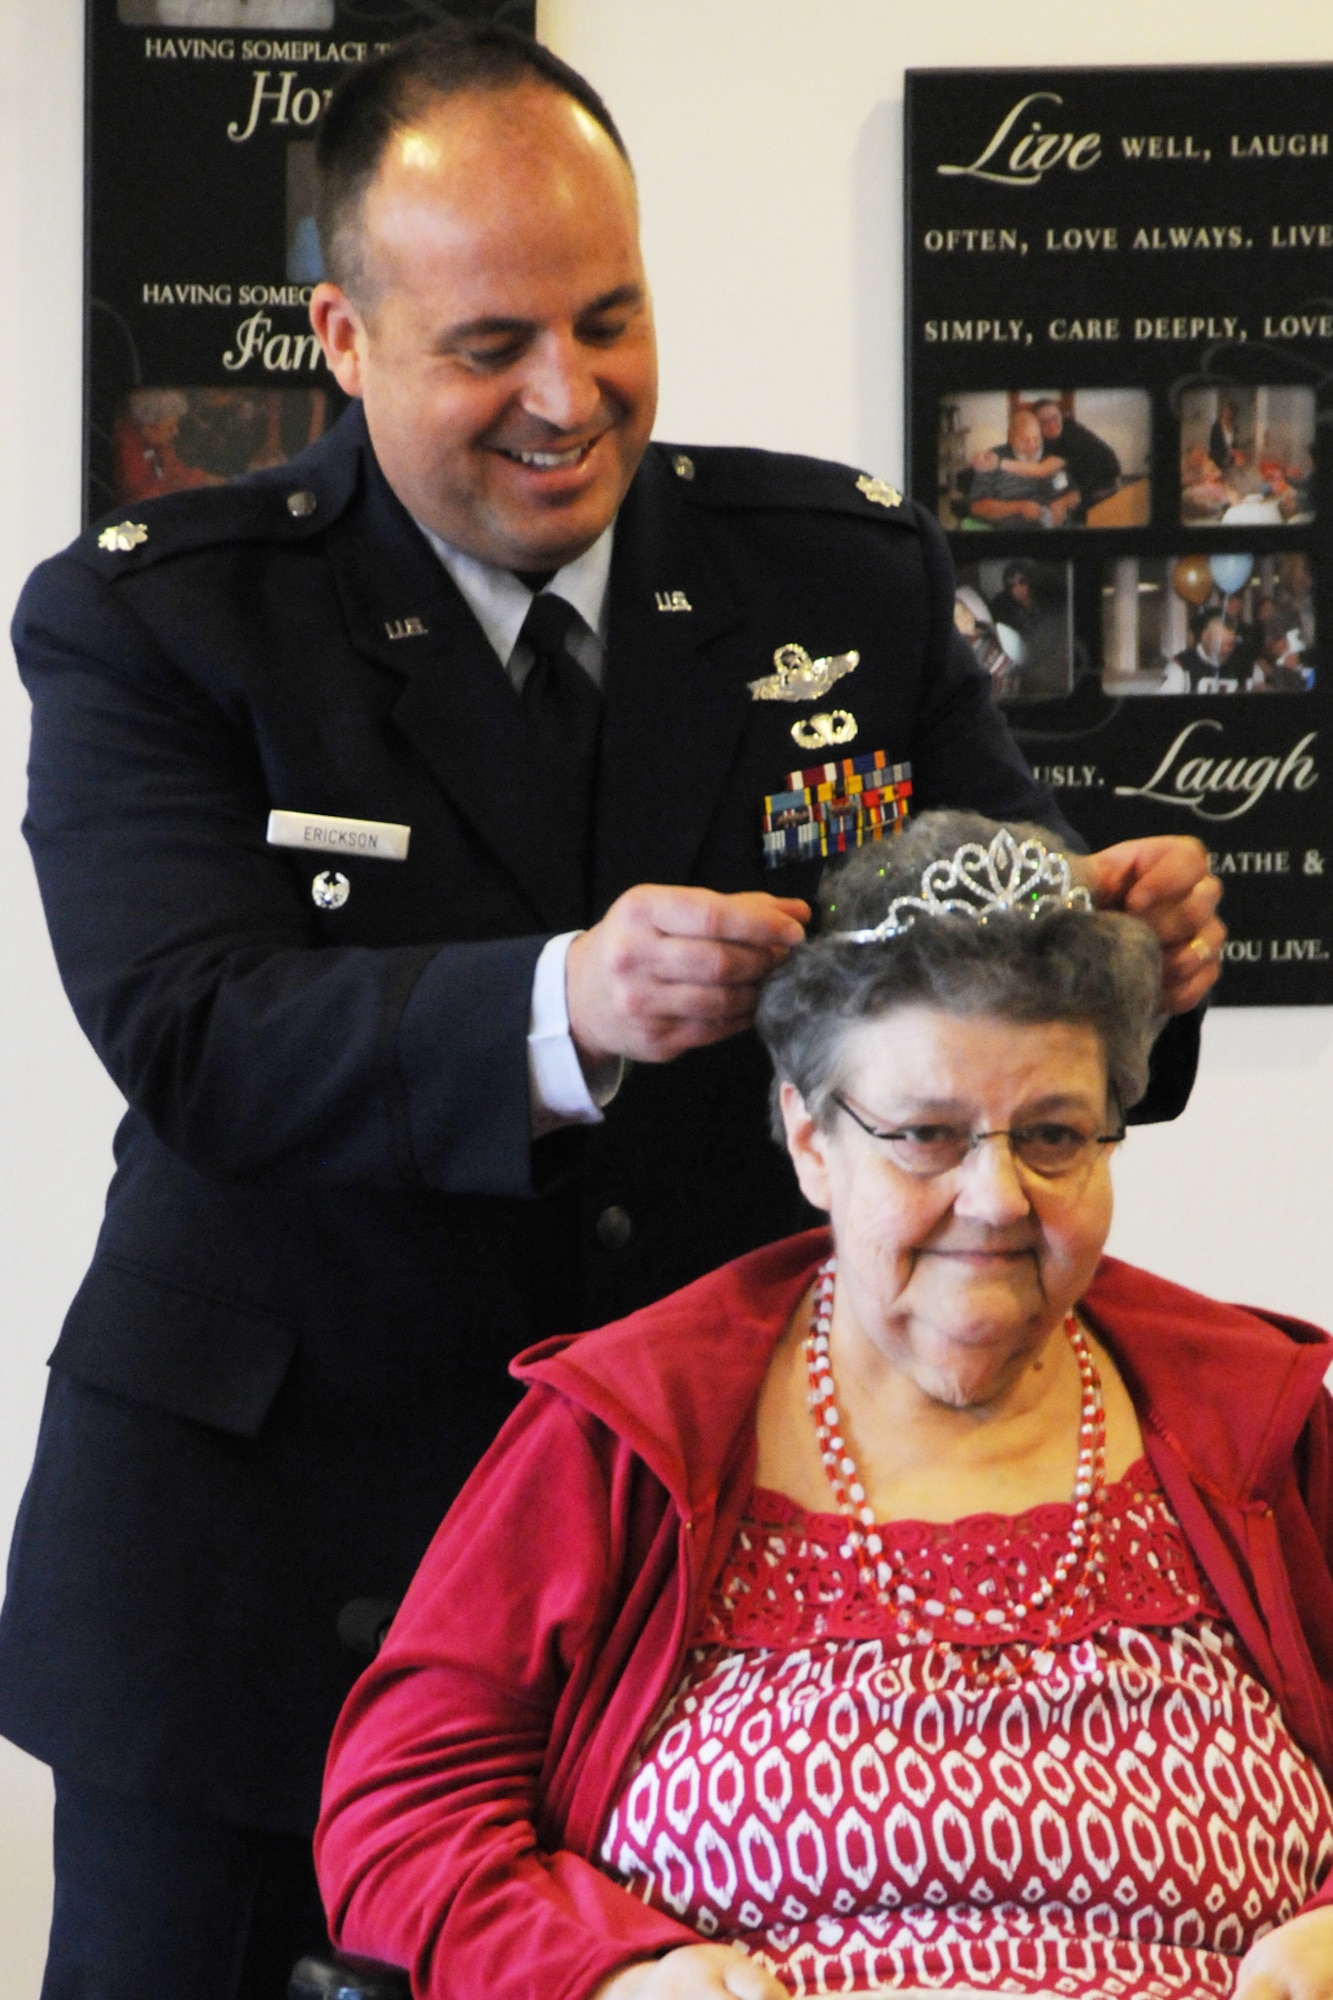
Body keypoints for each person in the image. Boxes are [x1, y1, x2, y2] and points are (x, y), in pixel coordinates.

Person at [4, 24, 1222, 1997]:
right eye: (490, 344)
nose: (567, 400)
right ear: (342, 333)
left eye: (610, 318)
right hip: (261, 1574)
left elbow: (1010, 969)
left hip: (698, 1576)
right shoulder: (158, 615)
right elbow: (194, 1031)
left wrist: (1131, 956)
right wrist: (566, 1000)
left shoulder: (834, 574)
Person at [316, 811, 1333, 2000]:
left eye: (1053, 1134)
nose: (992, 1196)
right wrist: (611, 1978)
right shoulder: (627, 1429)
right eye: (923, 1135)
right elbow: (402, 1817)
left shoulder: (1254, 1419)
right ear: (810, 1139)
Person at [964, 406, 1080, 528]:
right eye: (1024, 440)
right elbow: (976, 507)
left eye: (1036, 438)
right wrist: (1018, 508)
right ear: (1010, 436)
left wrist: (1063, 502)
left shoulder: (1050, 457)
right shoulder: (991, 459)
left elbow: (1075, 494)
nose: (1032, 446)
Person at [1033, 397, 1121, 519]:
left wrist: (1066, 499)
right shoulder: (1039, 440)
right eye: (1044, 422)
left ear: (1061, 416)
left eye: (1055, 418)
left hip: (1103, 483)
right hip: (1079, 480)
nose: (1052, 425)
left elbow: (1109, 466)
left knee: (1061, 512)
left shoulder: (1073, 434)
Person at [1169, 611, 1240, 692]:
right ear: (1205, 636)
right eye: (1219, 643)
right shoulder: (1181, 665)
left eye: (1230, 644)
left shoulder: (1240, 665)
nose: (1226, 649)